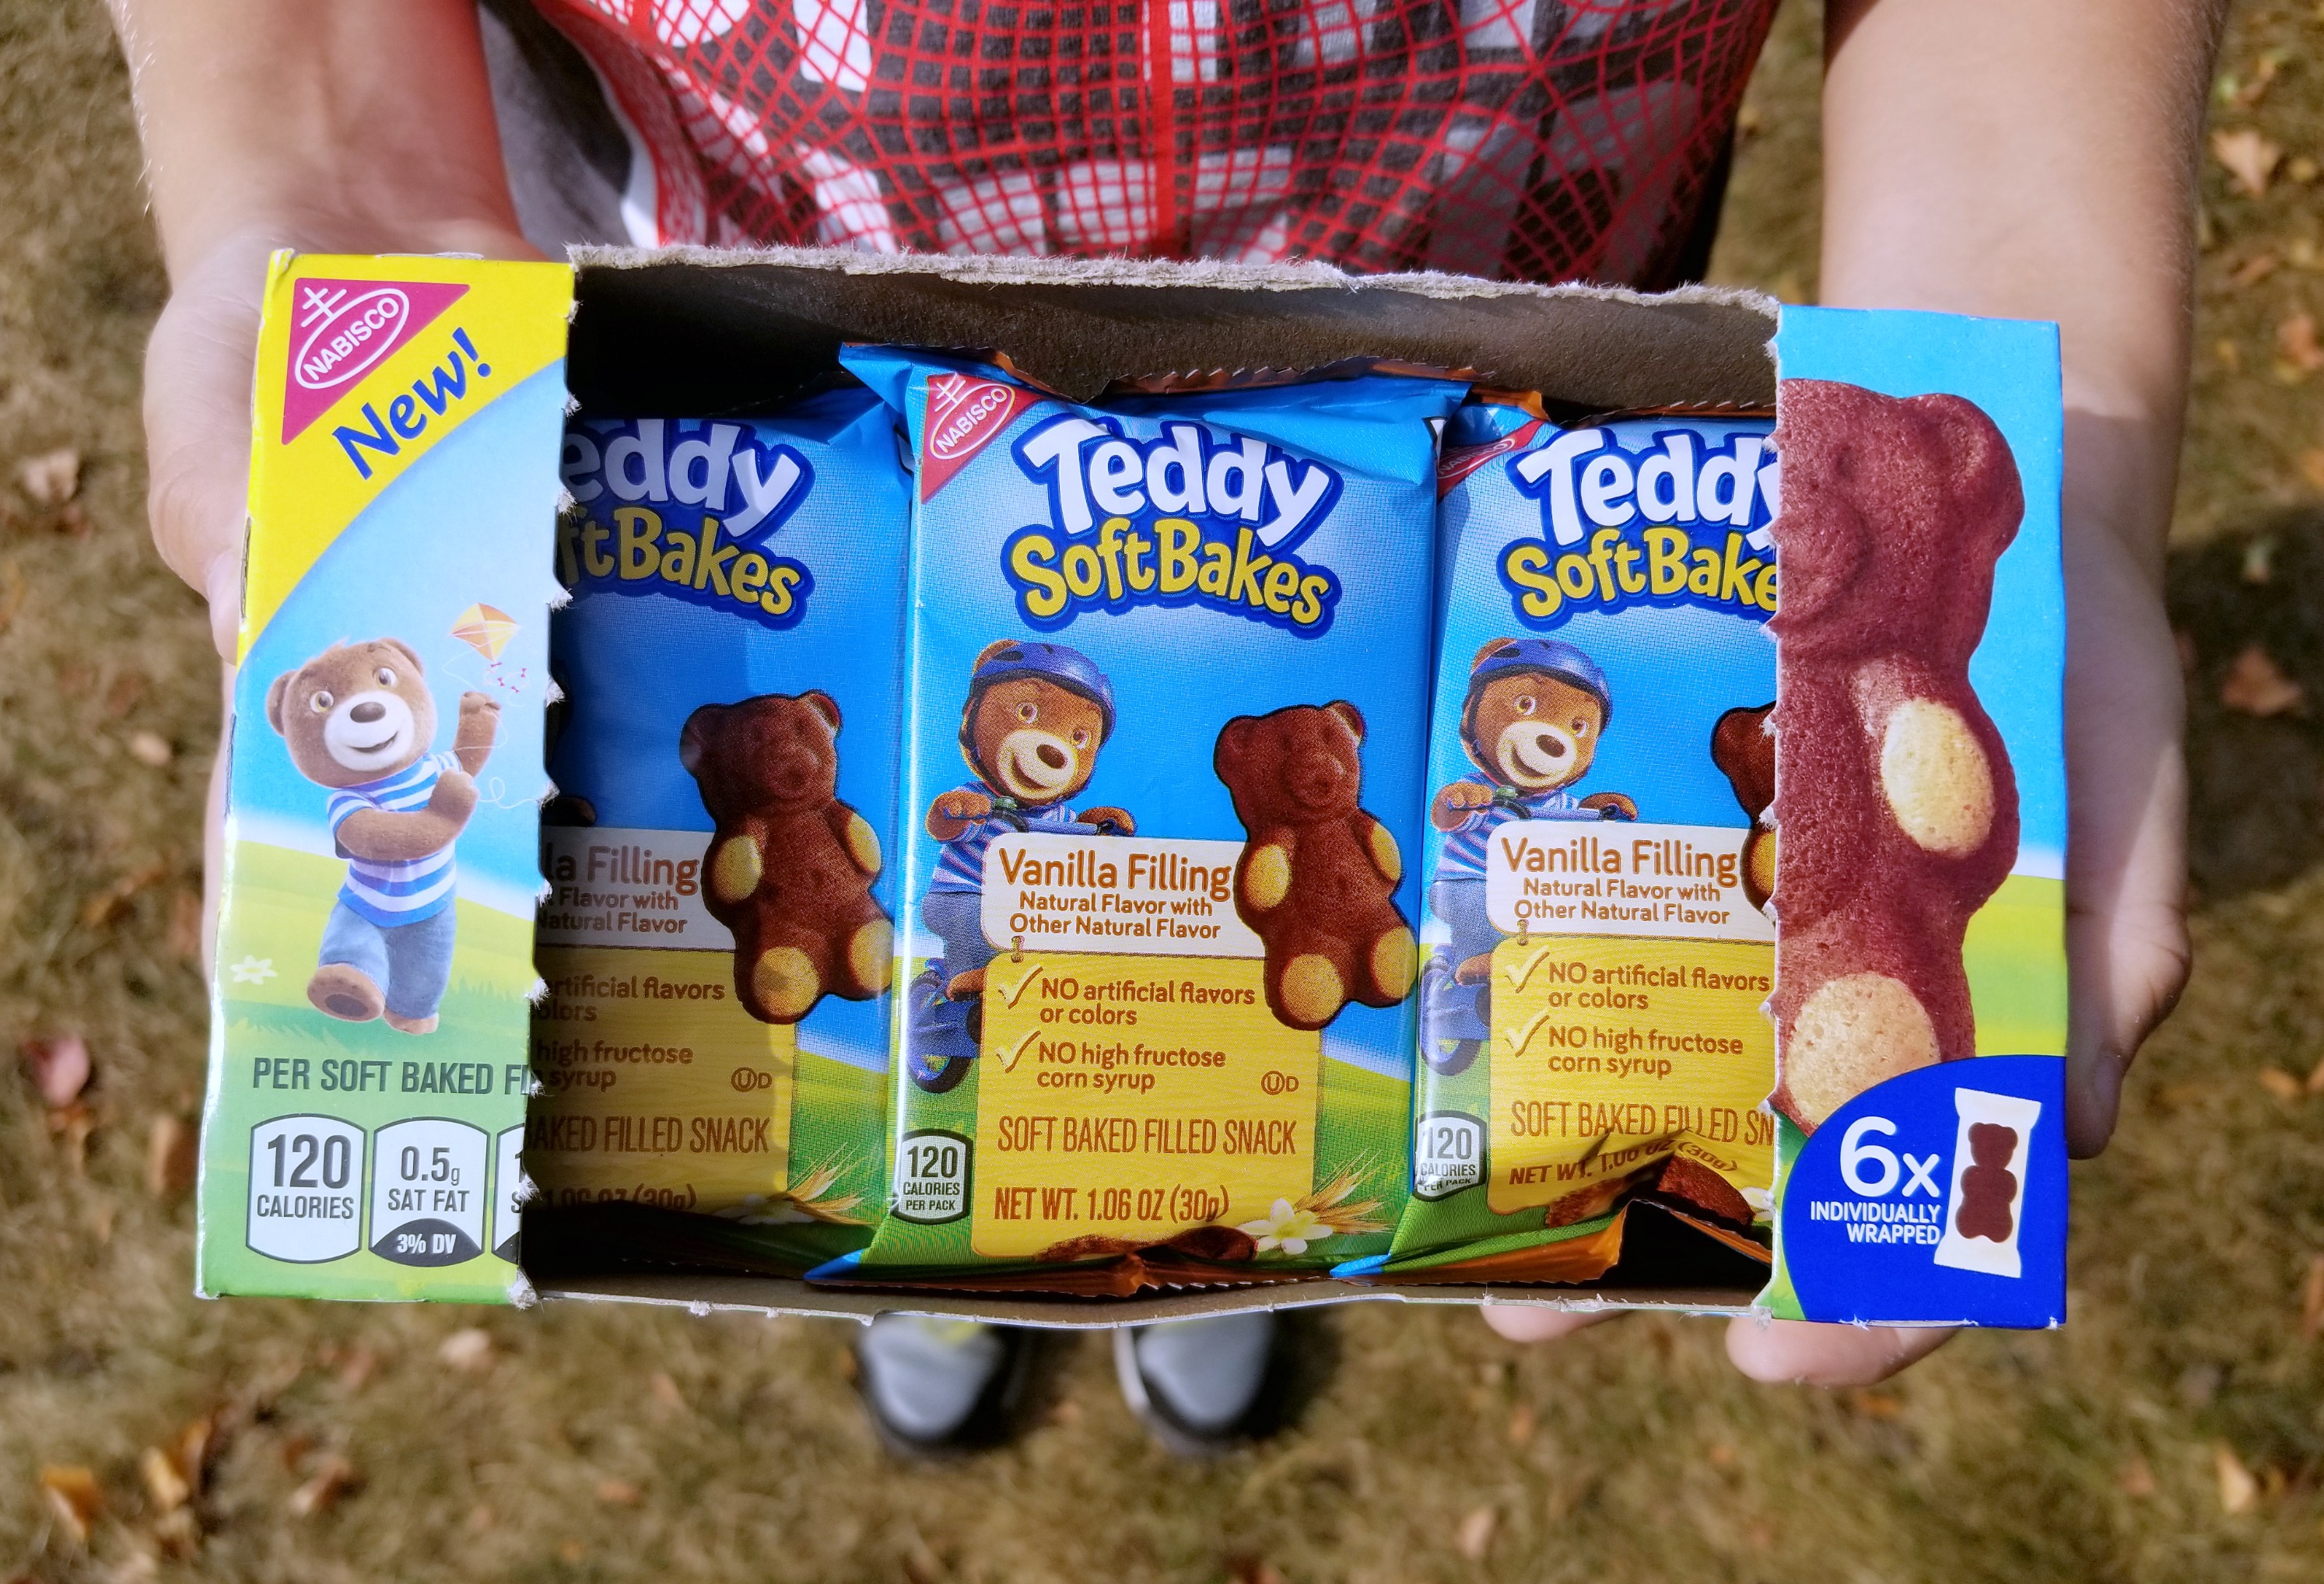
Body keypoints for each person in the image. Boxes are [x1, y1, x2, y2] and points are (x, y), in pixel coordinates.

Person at [105, 0, 2215, 1452]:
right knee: (863, 1066)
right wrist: (322, 199)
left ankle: (1202, 1263)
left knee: (1253, 1054)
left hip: (1514, 274)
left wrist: (2041, 398)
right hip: (729, 303)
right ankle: (933, 1261)